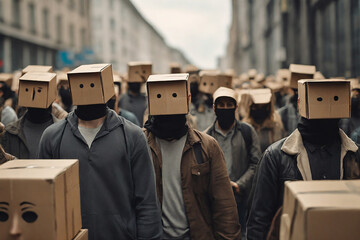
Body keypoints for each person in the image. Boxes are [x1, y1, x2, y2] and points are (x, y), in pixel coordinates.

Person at [38, 64, 162, 240]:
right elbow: (44, 203)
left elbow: (147, 202)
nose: (88, 90)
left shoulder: (132, 136)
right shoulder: (52, 137)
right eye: (81, 85)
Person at [247, 80, 360, 240]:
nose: (325, 108)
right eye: (318, 100)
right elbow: (259, 219)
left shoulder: (354, 154)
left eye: (334, 99)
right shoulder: (276, 156)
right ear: (301, 104)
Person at [144, 73, 241, 240]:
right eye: (160, 96)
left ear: (188, 100)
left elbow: (224, 205)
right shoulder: (139, 145)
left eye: (174, 96)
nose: (168, 103)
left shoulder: (206, 146)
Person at [205, 87, 261, 238]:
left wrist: (239, 184)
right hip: (215, 200)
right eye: (221, 105)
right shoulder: (206, 137)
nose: (225, 108)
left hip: (242, 198)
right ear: (214, 108)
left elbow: (256, 163)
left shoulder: (247, 132)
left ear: (236, 107)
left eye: (229, 105)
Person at [1, 72, 59, 159]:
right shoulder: (10, 133)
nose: (34, 95)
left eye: (40, 91)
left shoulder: (63, 132)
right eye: (28, 90)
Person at [118, 62, 151, 126]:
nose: (135, 84)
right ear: (128, 83)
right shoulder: (122, 99)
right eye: (133, 82)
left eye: (137, 83)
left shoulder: (146, 100)